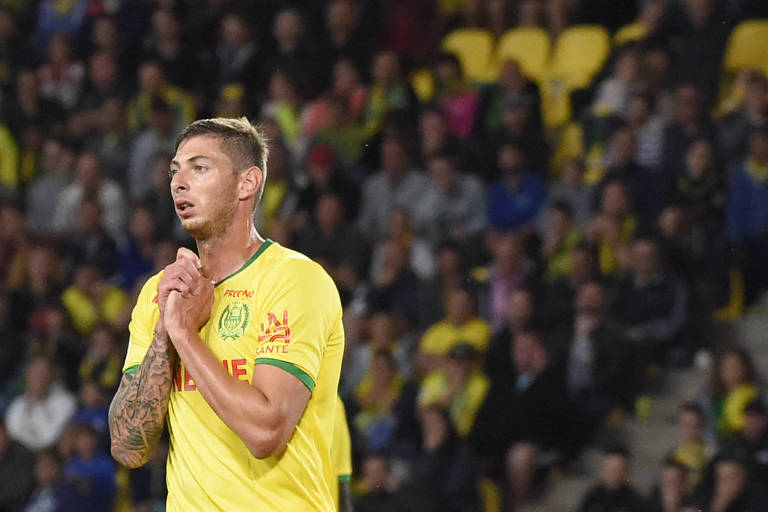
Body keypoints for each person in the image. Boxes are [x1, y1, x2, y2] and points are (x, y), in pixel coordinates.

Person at [108, 117, 345, 511]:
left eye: (199, 168)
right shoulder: (161, 293)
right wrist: (165, 336)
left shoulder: (294, 280)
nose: (178, 182)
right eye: (174, 171)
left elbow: (266, 432)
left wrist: (184, 334)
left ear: (246, 183)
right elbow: (128, 445)